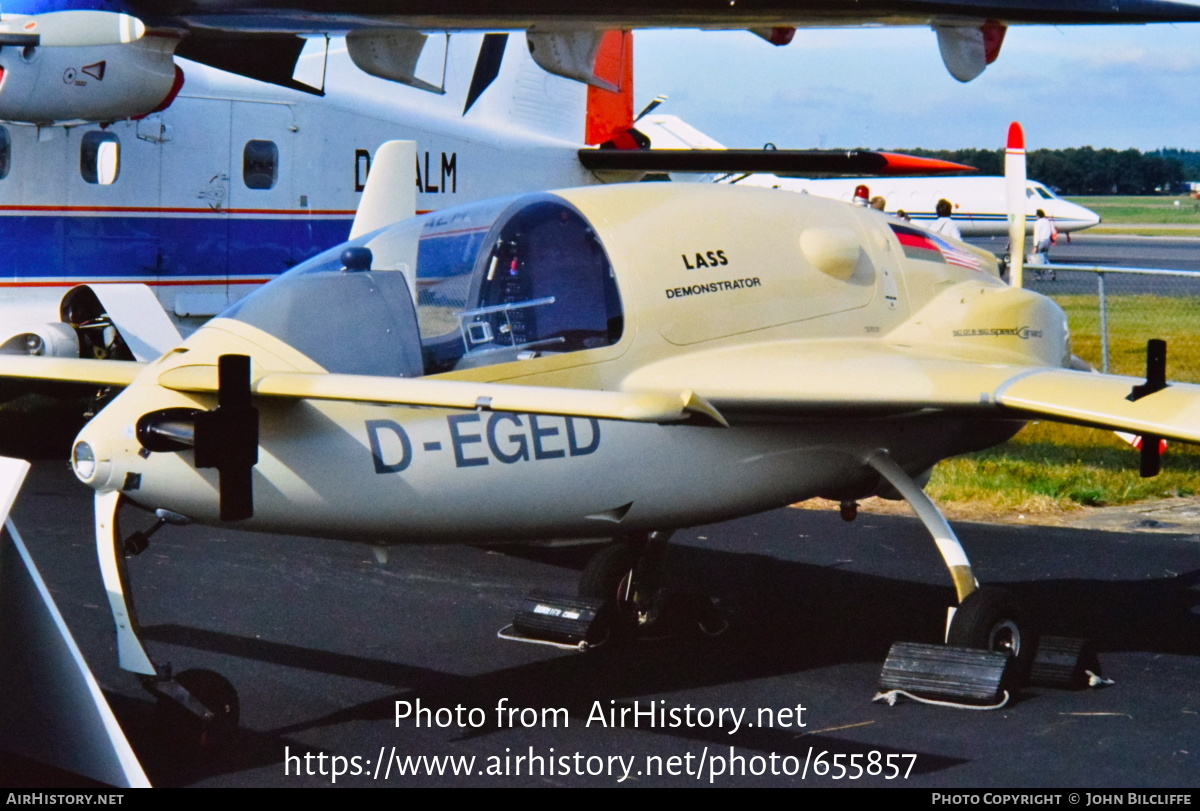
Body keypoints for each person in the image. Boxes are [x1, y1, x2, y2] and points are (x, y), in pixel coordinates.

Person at [1031, 208, 1057, 280]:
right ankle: (1051, 270)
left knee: (1038, 259)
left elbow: (1037, 235)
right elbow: (1052, 231)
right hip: (1047, 241)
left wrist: (1035, 246)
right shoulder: (1047, 221)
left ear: (1038, 215)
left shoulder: (1038, 223)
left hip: (1041, 242)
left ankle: (1038, 275)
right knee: (1044, 257)